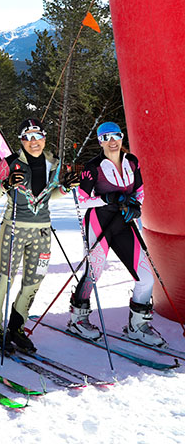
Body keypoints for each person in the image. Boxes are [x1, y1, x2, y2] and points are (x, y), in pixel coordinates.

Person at [68, 122, 162, 345]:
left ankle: (137, 325)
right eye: (106, 137)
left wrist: (136, 206)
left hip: (124, 224)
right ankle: (78, 320)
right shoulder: (93, 167)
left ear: (121, 138)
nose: (112, 141)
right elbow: (82, 200)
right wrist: (106, 199)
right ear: (100, 141)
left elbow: (139, 191)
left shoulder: (132, 161)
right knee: (93, 273)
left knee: (146, 277)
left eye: (116, 136)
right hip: (99, 223)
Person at [0, 119, 74, 352]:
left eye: (38, 136)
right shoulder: (10, 162)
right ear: (21, 140)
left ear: (44, 138)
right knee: (5, 279)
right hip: (14, 229)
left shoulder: (54, 163)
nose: (34, 142)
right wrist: (6, 184)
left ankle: (17, 327)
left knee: (33, 282)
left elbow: (48, 195)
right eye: (28, 137)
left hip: (42, 231)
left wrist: (66, 188)